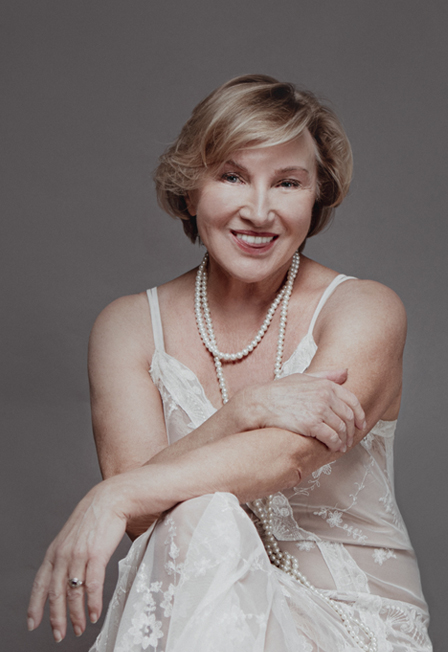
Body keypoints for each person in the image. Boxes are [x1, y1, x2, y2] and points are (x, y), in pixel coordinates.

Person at [28, 75, 432, 651]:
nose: (259, 211)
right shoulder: (128, 327)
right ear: (190, 190)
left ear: (317, 196)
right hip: (200, 621)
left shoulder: (365, 309)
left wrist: (113, 494)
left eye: (287, 182)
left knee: (195, 510)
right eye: (232, 176)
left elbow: (289, 455)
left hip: (350, 623)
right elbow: (141, 515)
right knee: (197, 516)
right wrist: (245, 410)